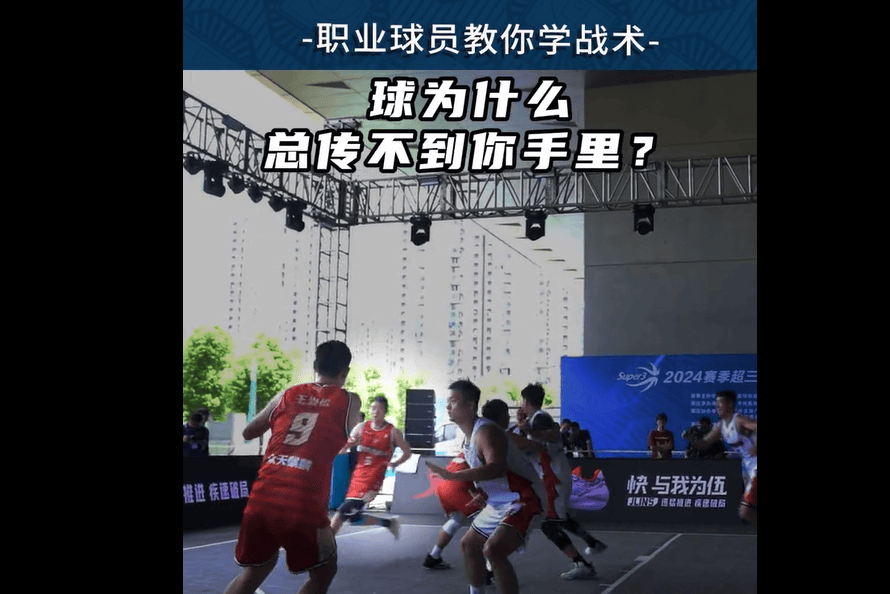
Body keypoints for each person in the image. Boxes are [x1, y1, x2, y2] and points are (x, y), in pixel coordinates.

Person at [223, 340, 362, 594]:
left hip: (262, 498)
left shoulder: (286, 394)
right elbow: (341, 434)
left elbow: (249, 431)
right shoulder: (350, 401)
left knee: (254, 571)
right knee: (324, 572)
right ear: (345, 372)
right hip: (303, 504)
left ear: (315, 366)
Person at [426, 381, 544, 594]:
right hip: (500, 500)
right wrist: (482, 492)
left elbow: (497, 468)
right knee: (469, 545)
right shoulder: (469, 437)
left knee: (493, 550)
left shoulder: (487, 431)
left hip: (524, 498)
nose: (448, 406)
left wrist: (453, 476)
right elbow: (493, 474)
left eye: (453, 401)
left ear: (471, 405)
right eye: (448, 402)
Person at [518, 383, 607, 581]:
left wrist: (526, 430)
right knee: (560, 518)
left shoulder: (540, 418)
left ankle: (582, 564)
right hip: (552, 477)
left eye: (522, 401)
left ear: (527, 401)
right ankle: (592, 542)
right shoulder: (534, 420)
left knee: (549, 525)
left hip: (554, 478)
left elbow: (552, 434)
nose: (520, 405)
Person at [330, 395, 412, 538]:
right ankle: (388, 523)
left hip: (373, 480)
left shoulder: (392, 432)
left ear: (384, 411)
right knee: (354, 518)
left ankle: (326, 546)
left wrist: (395, 463)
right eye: (373, 408)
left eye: (379, 409)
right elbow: (343, 448)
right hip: (358, 477)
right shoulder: (361, 428)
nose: (375, 412)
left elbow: (407, 452)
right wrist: (346, 445)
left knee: (341, 513)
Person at [690, 390, 757, 524]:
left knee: (746, 512)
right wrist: (690, 438)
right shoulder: (721, 426)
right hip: (747, 468)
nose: (717, 406)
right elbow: (704, 443)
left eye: (720, 403)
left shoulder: (738, 420)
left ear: (730, 404)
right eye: (717, 403)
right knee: (747, 512)